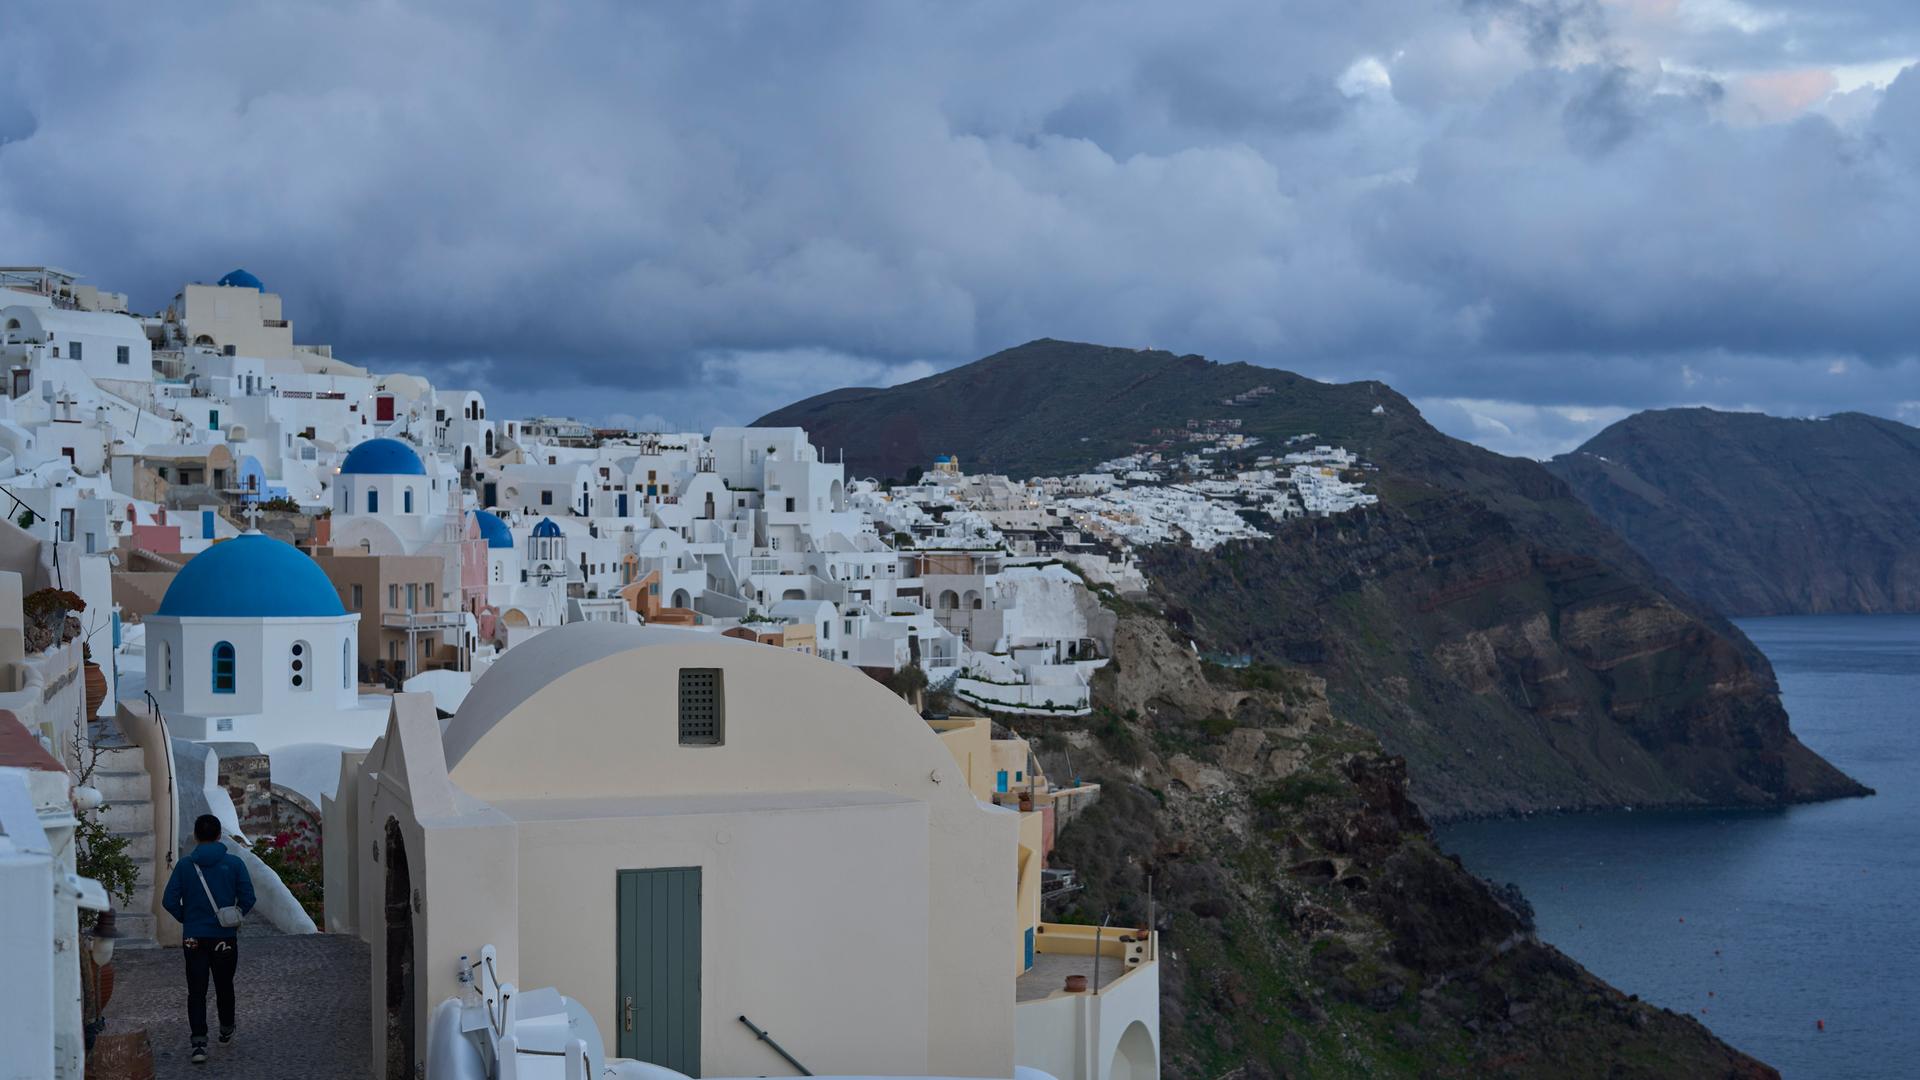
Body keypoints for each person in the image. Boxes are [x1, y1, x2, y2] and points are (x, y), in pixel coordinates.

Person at [161, 815, 256, 1065]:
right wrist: (233, 916)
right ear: (218, 836)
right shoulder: (234, 864)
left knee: (196, 990)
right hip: (224, 936)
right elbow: (248, 897)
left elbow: (169, 901)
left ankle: (199, 1043)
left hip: (194, 937)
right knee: (225, 985)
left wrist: (188, 919)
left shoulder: (184, 866)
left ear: (195, 836)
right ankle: (226, 1029)